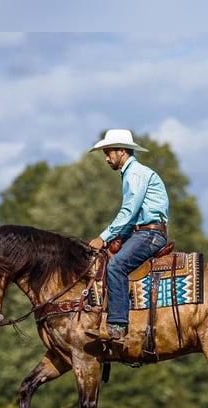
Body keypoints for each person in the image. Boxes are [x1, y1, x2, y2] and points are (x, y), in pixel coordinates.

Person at [86, 129, 170, 341]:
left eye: (108, 153)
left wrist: (103, 237)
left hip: (149, 234)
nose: (106, 158)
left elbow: (129, 212)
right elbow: (132, 218)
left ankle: (118, 325)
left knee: (116, 266)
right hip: (143, 232)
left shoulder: (134, 174)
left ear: (121, 151)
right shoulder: (133, 173)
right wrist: (120, 237)